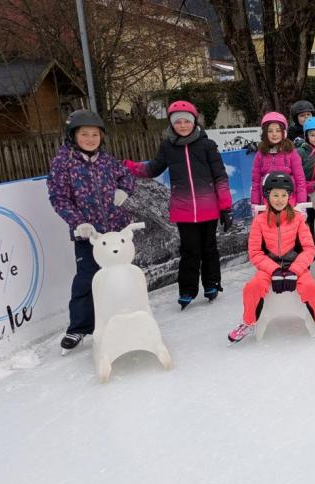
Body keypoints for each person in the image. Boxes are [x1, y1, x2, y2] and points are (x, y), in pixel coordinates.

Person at [124, 101, 232, 310]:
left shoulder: (207, 145)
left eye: (186, 121)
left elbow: (220, 176)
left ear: (194, 122)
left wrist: (225, 207)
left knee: (209, 248)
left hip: (208, 207)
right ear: (172, 124)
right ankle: (187, 290)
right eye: (178, 122)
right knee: (190, 251)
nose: (183, 125)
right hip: (183, 209)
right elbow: (152, 169)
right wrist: (127, 167)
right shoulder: (168, 146)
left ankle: (212, 284)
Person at [228, 172, 315, 343]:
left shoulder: (298, 219)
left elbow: (309, 248)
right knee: (252, 287)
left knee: (312, 288)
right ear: (267, 196)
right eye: (275, 195)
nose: (279, 200)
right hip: (269, 266)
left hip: (296, 265)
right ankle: (248, 322)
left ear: (289, 196)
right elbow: (255, 252)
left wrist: (294, 270)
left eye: (283, 195)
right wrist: (274, 270)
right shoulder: (259, 221)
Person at [48, 109, 135, 352]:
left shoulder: (106, 159)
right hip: (89, 236)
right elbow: (59, 198)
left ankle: (123, 319)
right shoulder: (63, 163)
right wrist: (78, 223)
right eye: (84, 134)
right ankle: (79, 328)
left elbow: (127, 177)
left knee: (120, 277)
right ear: (73, 135)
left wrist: (123, 190)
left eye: (95, 134)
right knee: (87, 279)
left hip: (115, 233)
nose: (90, 139)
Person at [250, 112, 309, 211]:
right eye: (270, 131)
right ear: (264, 133)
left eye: (278, 130)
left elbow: (300, 180)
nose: (274, 134)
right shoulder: (260, 154)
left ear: (284, 133)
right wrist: (255, 205)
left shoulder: (291, 153)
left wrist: (301, 203)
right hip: (267, 203)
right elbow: (255, 182)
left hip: (290, 202)